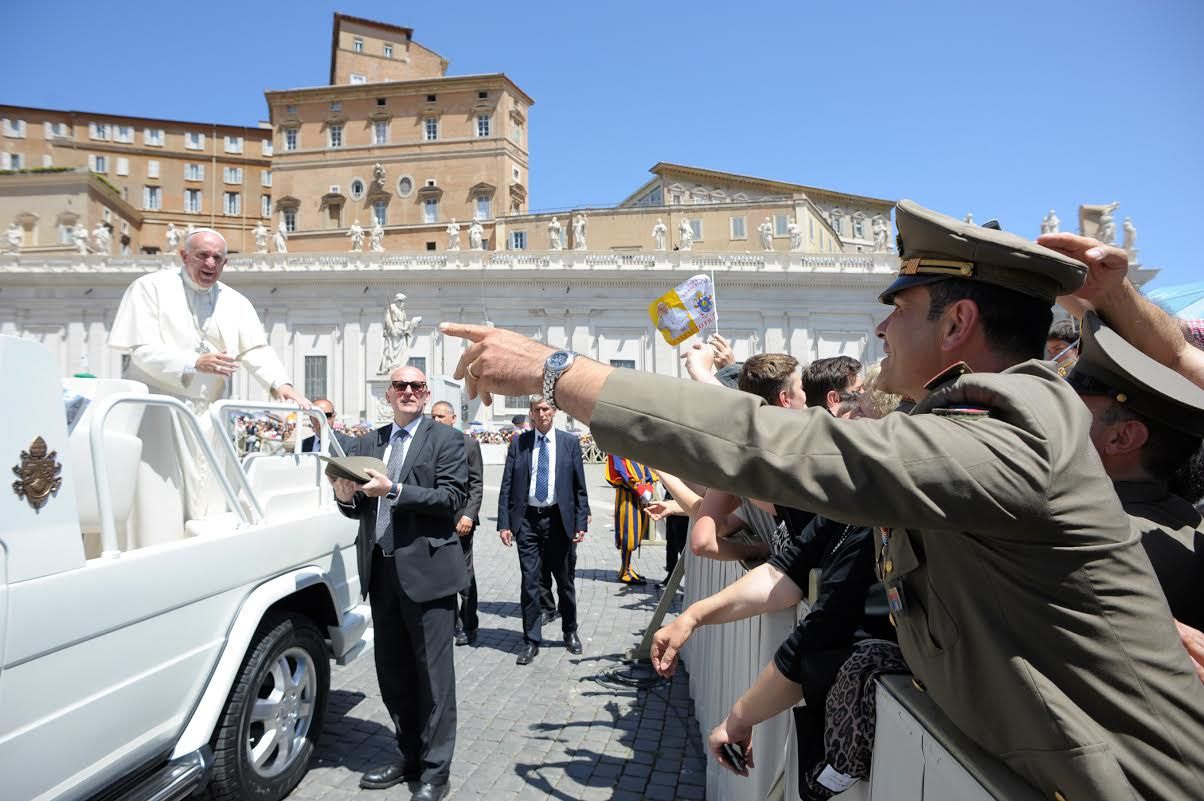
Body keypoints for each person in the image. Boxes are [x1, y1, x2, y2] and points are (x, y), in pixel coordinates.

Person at [442, 199, 1204, 800]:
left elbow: (787, 446)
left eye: (900, 305)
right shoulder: (970, 420)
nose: (880, 324)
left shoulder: (1013, 426)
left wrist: (557, 372)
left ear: (959, 322)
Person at [108, 228, 309, 524]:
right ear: (184, 255)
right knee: (159, 502)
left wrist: (282, 384)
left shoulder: (235, 302)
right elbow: (140, 350)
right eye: (202, 255)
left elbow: (256, 349)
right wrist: (193, 362)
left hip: (211, 416)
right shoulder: (149, 288)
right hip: (160, 412)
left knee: (211, 499)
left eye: (218, 258)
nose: (210, 264)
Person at [331, 366, 467, 800]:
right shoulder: (370, 441)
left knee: (434, 679)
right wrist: (344, 498)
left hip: (428, 574)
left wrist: (394, 490)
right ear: (387, 394)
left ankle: (435, 772)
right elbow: (359, 510)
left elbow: (450, 499)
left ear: (426, 394)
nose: (408, 392)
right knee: (392, 673)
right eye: (400, 386)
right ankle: (407, 753)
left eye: (416, 386)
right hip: (382, 571)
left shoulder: (447, 439)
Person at [1066, 312, 1204, 631]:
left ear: (1122, 437)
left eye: (1073, 407)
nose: (1058, 417)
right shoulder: (1182, 521)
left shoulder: (1097, 539)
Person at [497, 397, 589, 664]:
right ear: (531, 414)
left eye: (546, 408)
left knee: (565, 581)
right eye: (537, 410)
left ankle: (570, 631)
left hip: (559, 522)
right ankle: (531, 639)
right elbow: (507, 485)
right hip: (527, 522)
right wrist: (504, 523)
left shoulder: (569, 443)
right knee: (530, 582)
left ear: (555, 411)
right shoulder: (520, 443)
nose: (542, 413)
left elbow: (579, 487)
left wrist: (580, 523)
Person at [430, 400, 485, 646]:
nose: (436, 420)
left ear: (453, 418)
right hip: (434, 519)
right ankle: (450, 622)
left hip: (461, 521)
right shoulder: (427, 444)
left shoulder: (469, 444)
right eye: (433, 416)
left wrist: (469, 516)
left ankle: (468, 622)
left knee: (464, 574)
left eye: (441, 416)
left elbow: (476, 484)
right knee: (441, 574)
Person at [605, 454, 658, 583]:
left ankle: (627, 567)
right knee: (628, 532)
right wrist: (639, 489)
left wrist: (647, 487)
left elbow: (646, 469)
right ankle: (625, 571)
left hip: (640, 493)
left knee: (637, 530)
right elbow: (621, 472)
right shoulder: (617, 447)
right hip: (627, 495)